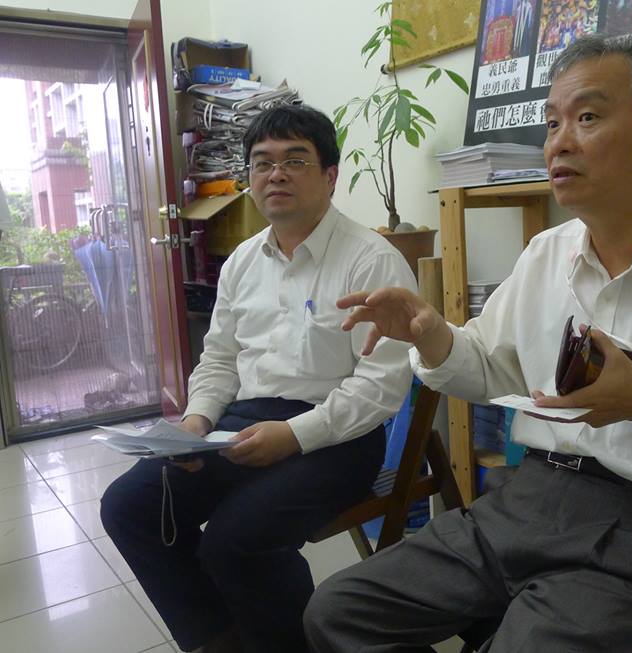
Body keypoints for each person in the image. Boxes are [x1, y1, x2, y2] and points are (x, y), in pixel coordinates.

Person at [304, 34, 632, 653]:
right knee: (337, 613)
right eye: (552, 123)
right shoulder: (546, 254)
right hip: (525, 501)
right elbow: (488, 368)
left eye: (588, 117)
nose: (558, 143)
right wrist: (432, 333)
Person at [100, 105, 417, 653]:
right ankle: (220, 640)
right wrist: (196, 423)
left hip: (339, 438)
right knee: (130, 506)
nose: (276, 175)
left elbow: (380, 388)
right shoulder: (243, 261)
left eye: (295, 160)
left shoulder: (372, 260)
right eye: (262, 163)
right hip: (242, 423)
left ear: (330, 175)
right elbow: (220, 358)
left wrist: (293, 435)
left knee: (236, 542)